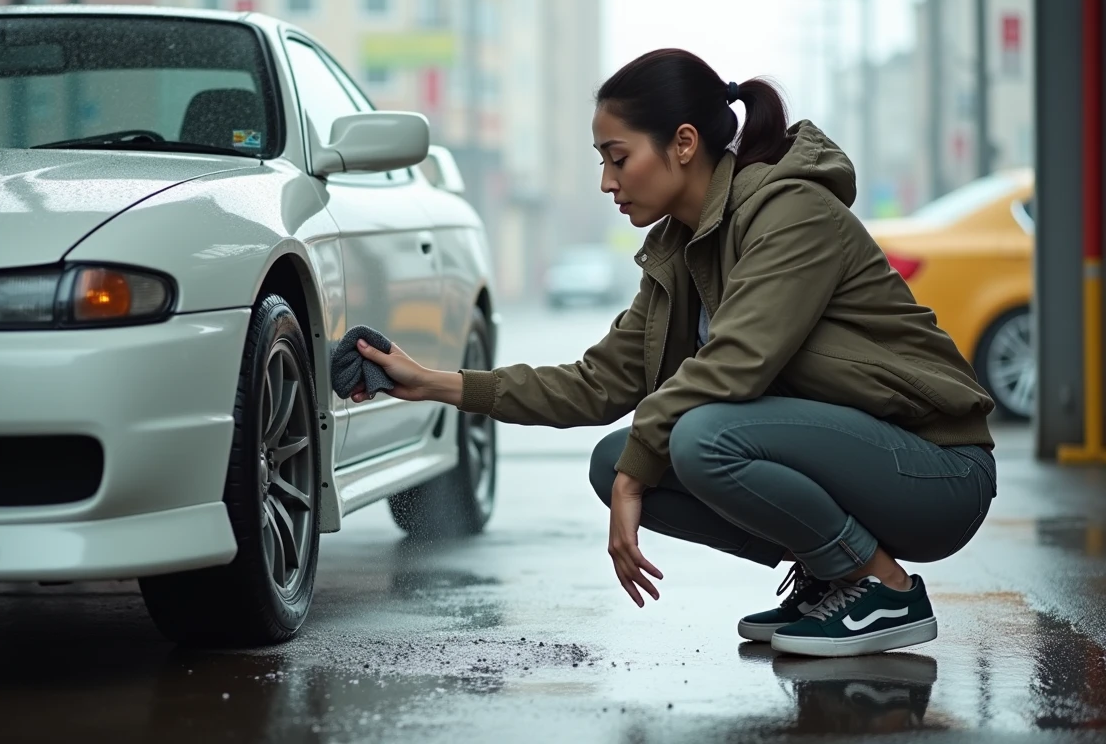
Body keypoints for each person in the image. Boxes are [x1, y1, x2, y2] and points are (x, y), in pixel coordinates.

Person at [345, 47, 998, 659]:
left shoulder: (790, 210)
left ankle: (883, 589)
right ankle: (837, 576)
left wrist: (640, 467)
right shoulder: (682, 252)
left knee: (697, 437)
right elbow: (596, 382)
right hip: (865, 463)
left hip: (937, 471)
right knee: (614, 461)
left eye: (617, 157)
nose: (606, 180)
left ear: (683, 144)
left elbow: (739, 361)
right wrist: (431, 382)